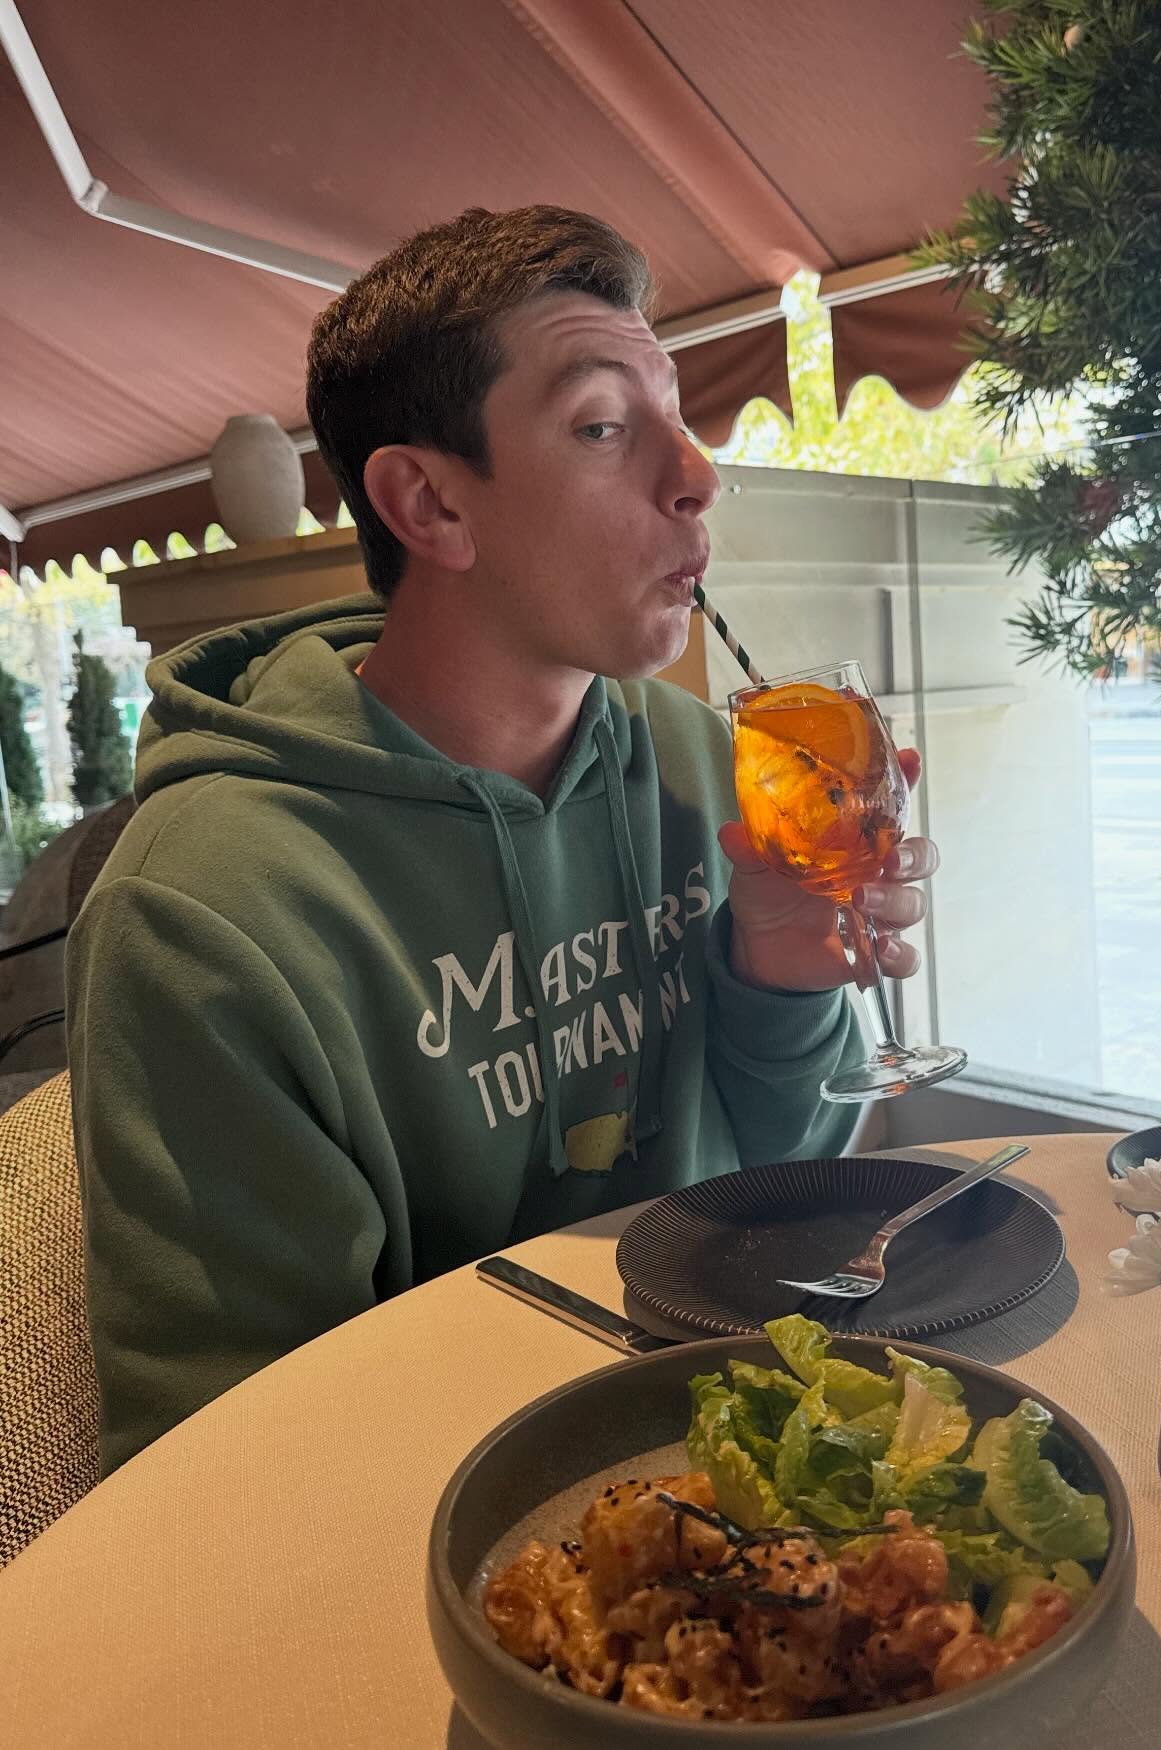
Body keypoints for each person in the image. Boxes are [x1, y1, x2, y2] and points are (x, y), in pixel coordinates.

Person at [66, 206, 941, 1473]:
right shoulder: (205, 911)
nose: (697, 474)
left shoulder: (701, 761)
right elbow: (227, 1462)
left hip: (742, 1426)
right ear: (429, 503)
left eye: (676, 412)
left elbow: (788, 1178)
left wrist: (782, 984)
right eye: (602, 426)